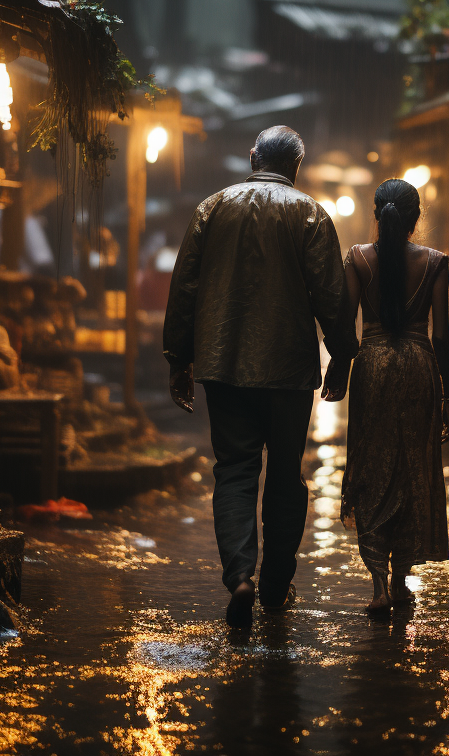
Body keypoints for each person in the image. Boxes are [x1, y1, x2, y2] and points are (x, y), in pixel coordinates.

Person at [163, 126, 358, 628]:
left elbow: (184, 287)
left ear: (252, 157)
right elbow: (331, 296)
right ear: (298, 166)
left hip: (223, 367)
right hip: (289, 370)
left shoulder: (212, 208)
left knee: (234, 470)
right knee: (286, 475)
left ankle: (240, 578)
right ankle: (275, 585)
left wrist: (177, 358)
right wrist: (341, 355)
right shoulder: (311, 214)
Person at [322, 178, 449, 616]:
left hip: (373, 368)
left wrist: (340, 369)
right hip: (420, 369)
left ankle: (378, 585)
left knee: (373, 469)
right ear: (416, 219)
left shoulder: (358, 258)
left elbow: (344, 325)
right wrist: (448, 399)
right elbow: (443, 337)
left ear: (376, 214)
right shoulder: (436, 262)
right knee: (412, 470)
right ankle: (401, 582)